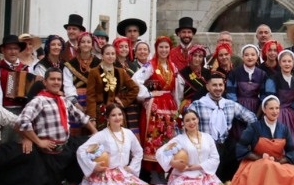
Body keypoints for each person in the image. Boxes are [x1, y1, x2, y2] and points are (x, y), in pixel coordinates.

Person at [63, 104, 169, 185]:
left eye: (119, 114)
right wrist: (93, 166)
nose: (117, 118)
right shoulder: (102, 135)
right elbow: (81, 150)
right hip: (106, 175)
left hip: (123, 173)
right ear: (108, 118)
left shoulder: (128, 133)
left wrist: (131, 167)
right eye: (113, 115)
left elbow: (138, 152)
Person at [16, 68, 92, 185]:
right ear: (45, 82)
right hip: (48, 152)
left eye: (59, 79)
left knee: (89, 144)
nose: (56, 82)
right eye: (52, 79)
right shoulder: (38, 101)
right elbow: (22, 121)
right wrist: (38, 141)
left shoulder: (63, 100)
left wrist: (96, 134)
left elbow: (82, 118)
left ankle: (76, 183)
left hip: (65, 149)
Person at [154, 108, 228, 185]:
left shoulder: (207, 137)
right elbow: (161, 152)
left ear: (198, 120)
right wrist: (173, 162)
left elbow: (215, 158)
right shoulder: (179, 140)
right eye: (187, 120)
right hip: (185, 176)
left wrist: (196, 167)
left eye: (193, 119)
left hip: (206, 175)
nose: (191, 122)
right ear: (183, 123)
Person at [191, 73, 257, 181]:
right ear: (207, 87)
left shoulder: (229, 104)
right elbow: (187, 124)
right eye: (214, 85)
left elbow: (251, 118)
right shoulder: (197, 105)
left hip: (224, 145)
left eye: (220, 85)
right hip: (205, 146)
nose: (218, 88)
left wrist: (247, 138)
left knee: (240, 150)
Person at [137, 35, 179, 175]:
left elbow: (176, 89)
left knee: (168, 137)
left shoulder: (172, 66)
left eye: (166, 47)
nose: (164, 50)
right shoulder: (150, 65)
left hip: (170, 106)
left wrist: (177, 106)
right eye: (161, 47)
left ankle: (165, 171)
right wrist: (148, 94)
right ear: (156, 48)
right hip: (156, 105)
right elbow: (135, 80)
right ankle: (154, 173)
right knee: (154, 137)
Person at [265, 49, 294, 168]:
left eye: (289, 61)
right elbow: (269, 99)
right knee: (279, 142)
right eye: (284, 61)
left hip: (291, 115)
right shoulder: (273, 79)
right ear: (279, 63)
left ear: (293, 63)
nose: (287, 64)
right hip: (277, 114)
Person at [86, 44, 142, 128]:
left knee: (118, 137)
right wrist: (92, 117)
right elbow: (91, 96)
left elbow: (135, 88)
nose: (110, 56)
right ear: (102, 56)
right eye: (107, 54)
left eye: (113, 54)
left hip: (116, 111)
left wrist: (124, 102)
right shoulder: (94, 72)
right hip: (100, 112)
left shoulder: (120, 71)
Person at [0, 34, 33, 113]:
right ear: (3, 50)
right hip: (4, 110)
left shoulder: (26, 68)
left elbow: (31, 93)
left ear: (19, 50)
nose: (13, 52)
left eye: (16, 48)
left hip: (23, 110)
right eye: (9, 49)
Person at [227, 44, 268, 117]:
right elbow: (231, 94)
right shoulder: (234, 73)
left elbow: (264, 95)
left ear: (257, 56)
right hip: (238, 107)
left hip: (256, 108)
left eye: (253, 55)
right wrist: (239, 112)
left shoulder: (262, 74)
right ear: (242, 57)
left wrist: (258, 114)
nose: (250, 57)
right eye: (246, 55)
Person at [66, 32, 100, 110]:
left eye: (88, 42)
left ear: (92, 45)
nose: (86, 44)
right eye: (83, 42)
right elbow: (68, 86)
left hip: (94, 100)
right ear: (79, 44)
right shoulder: (70, 64)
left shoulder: (99, 63)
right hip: (75, 101)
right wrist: (76, 104)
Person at [175, 45, 210, 111]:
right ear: (190, 56)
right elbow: (178, 97)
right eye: (195, 55)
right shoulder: (183, 74)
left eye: (200, 56)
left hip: (206, 104)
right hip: (189, 105)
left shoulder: (207, 73)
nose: (197, 59)